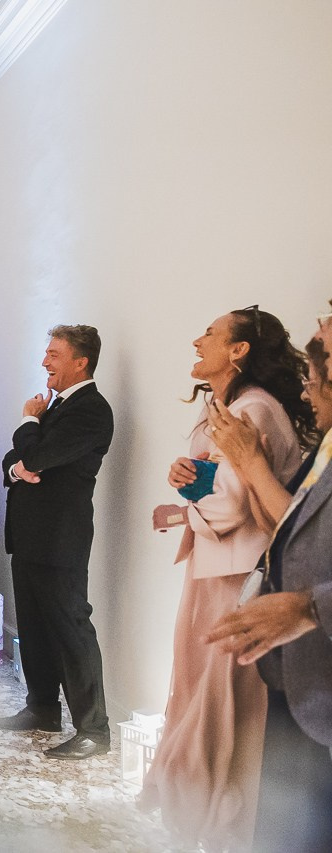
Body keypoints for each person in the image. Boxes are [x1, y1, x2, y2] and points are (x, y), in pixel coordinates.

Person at [141, 307, 312, 848]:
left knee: (219, 705)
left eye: (210, 334)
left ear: (238, 350)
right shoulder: (233, 405)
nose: (197, 340)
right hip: (220, 570)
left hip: (236, 578)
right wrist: (188, 485)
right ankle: (204, 818)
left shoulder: (253, 409)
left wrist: (191, 496)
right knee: (203, 699)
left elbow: (232, 507)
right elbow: (217, 491)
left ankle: (216, 822)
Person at [205, 323, 332, 851]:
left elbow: (238, 506)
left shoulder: (254, 406)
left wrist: (308, 607)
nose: (306, 392)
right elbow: (286, 520)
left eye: (316, 378)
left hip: (253, 597)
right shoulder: (322, 440)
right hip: (292, 658)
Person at [0, 325, 114, 760]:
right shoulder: (56, 408)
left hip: (61, 538)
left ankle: (94, 730)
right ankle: (42, 708)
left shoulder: (91, 410)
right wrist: (19, 465)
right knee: (35, 628)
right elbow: (15, 460)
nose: (45, 361)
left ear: (80, 362)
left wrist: (28, 422)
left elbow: (36, 456)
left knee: (71, 630)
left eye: (54, 354)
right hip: (28, 536)